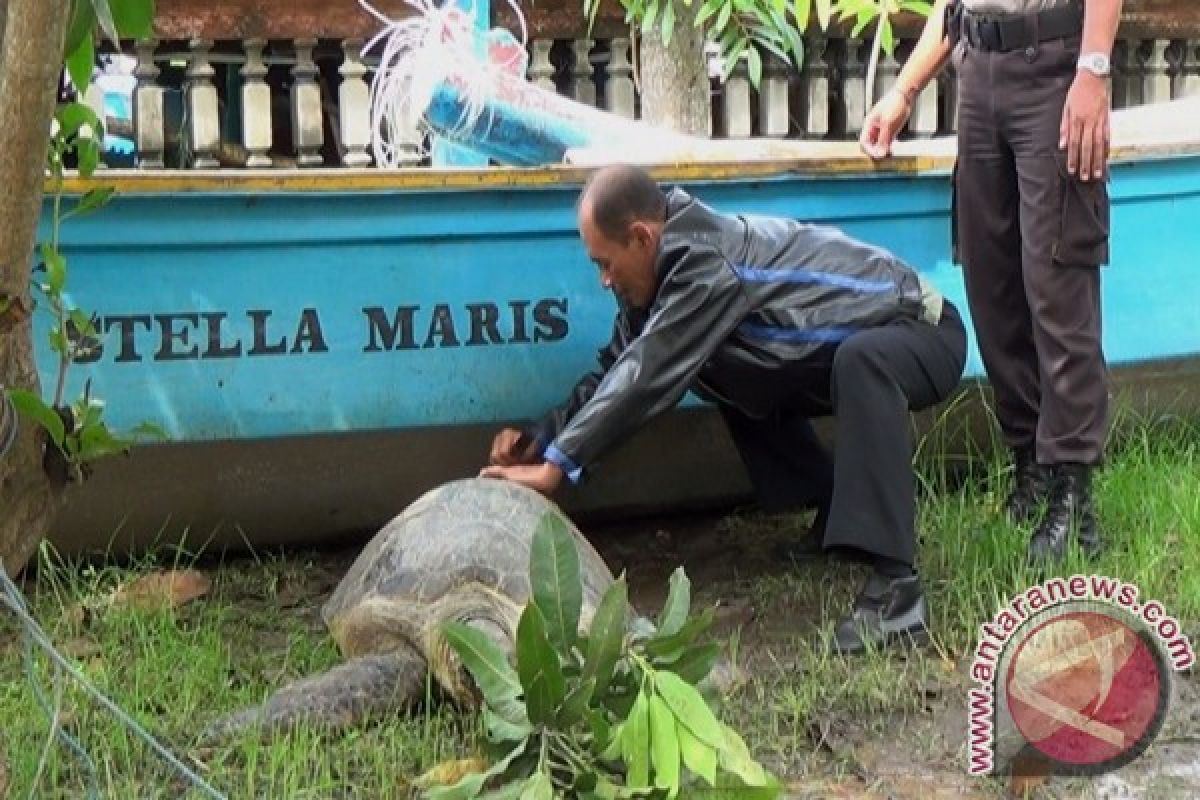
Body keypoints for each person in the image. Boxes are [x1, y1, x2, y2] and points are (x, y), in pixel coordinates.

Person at [481, 165, 967, 654]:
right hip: (835, 352)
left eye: (604, 263)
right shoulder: (666, 275)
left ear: (641, 237)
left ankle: (897, 591)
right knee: (723, 364)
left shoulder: (705, 265)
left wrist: (558, 467)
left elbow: (648, 372)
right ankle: (832, 515)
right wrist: (541, 438)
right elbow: (619, 368)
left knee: (861, 360)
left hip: (925, 331)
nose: (604, 280)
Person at [860, 0, 1120, 563]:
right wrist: (904, 91)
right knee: (992, 286)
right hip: (978, 73)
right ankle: (1030, 468)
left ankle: (1072, 491)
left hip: (1052, 66)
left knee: (1058, 283)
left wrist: (1093, 69)